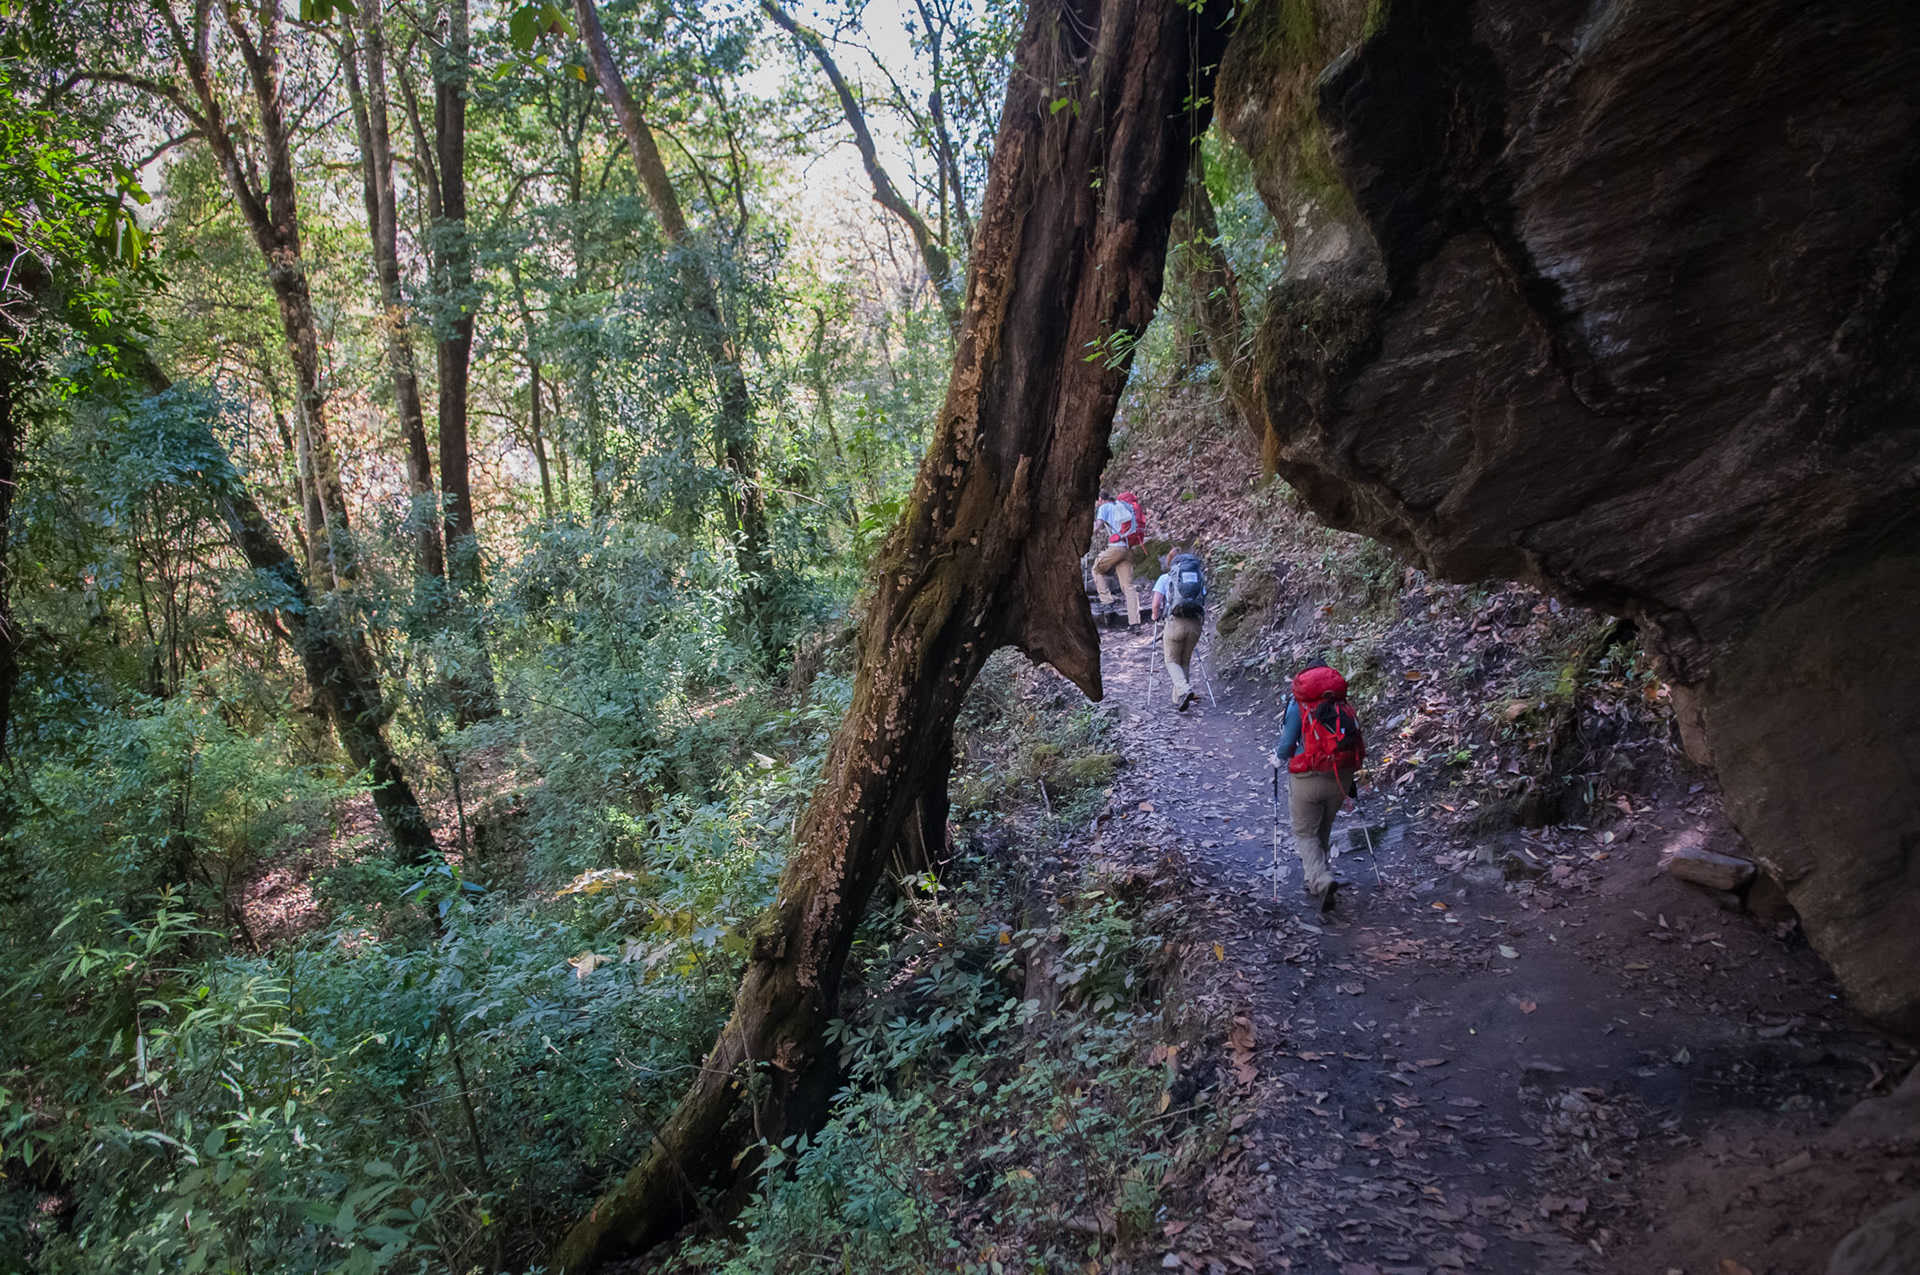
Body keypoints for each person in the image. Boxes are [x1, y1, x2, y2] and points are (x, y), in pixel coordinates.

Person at [1270, 661, 1365, 914]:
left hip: (1308, 776)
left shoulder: (1298, 704)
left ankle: (1322, 879)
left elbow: (1288, 743)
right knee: (1322, 827)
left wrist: (1277, 761)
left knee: (1304, 832)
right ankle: (1314, 881)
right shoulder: (1340, 704)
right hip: (1341, 776)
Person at [1151, 546, 1206, 711]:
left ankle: (1184, 690)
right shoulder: (1198, 577)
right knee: (1185, 660)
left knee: (1172, 660)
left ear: (1171, 563)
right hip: (1195, 624)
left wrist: (1155, 617)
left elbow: (1155, 604)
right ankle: (1179, 699)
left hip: (1175, 623)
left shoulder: (1165, 578)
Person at [1091, 490, 1141, 629]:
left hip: (1116, 548)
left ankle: (1107, 601)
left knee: (1096, 569)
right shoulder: (1121, 506)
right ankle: (1135, 623)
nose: (1095, 505)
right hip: (1127, 549)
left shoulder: (1104, 507)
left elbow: (1097, 527)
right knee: (1129, 587)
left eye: (1095, 502)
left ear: (1100, 499)